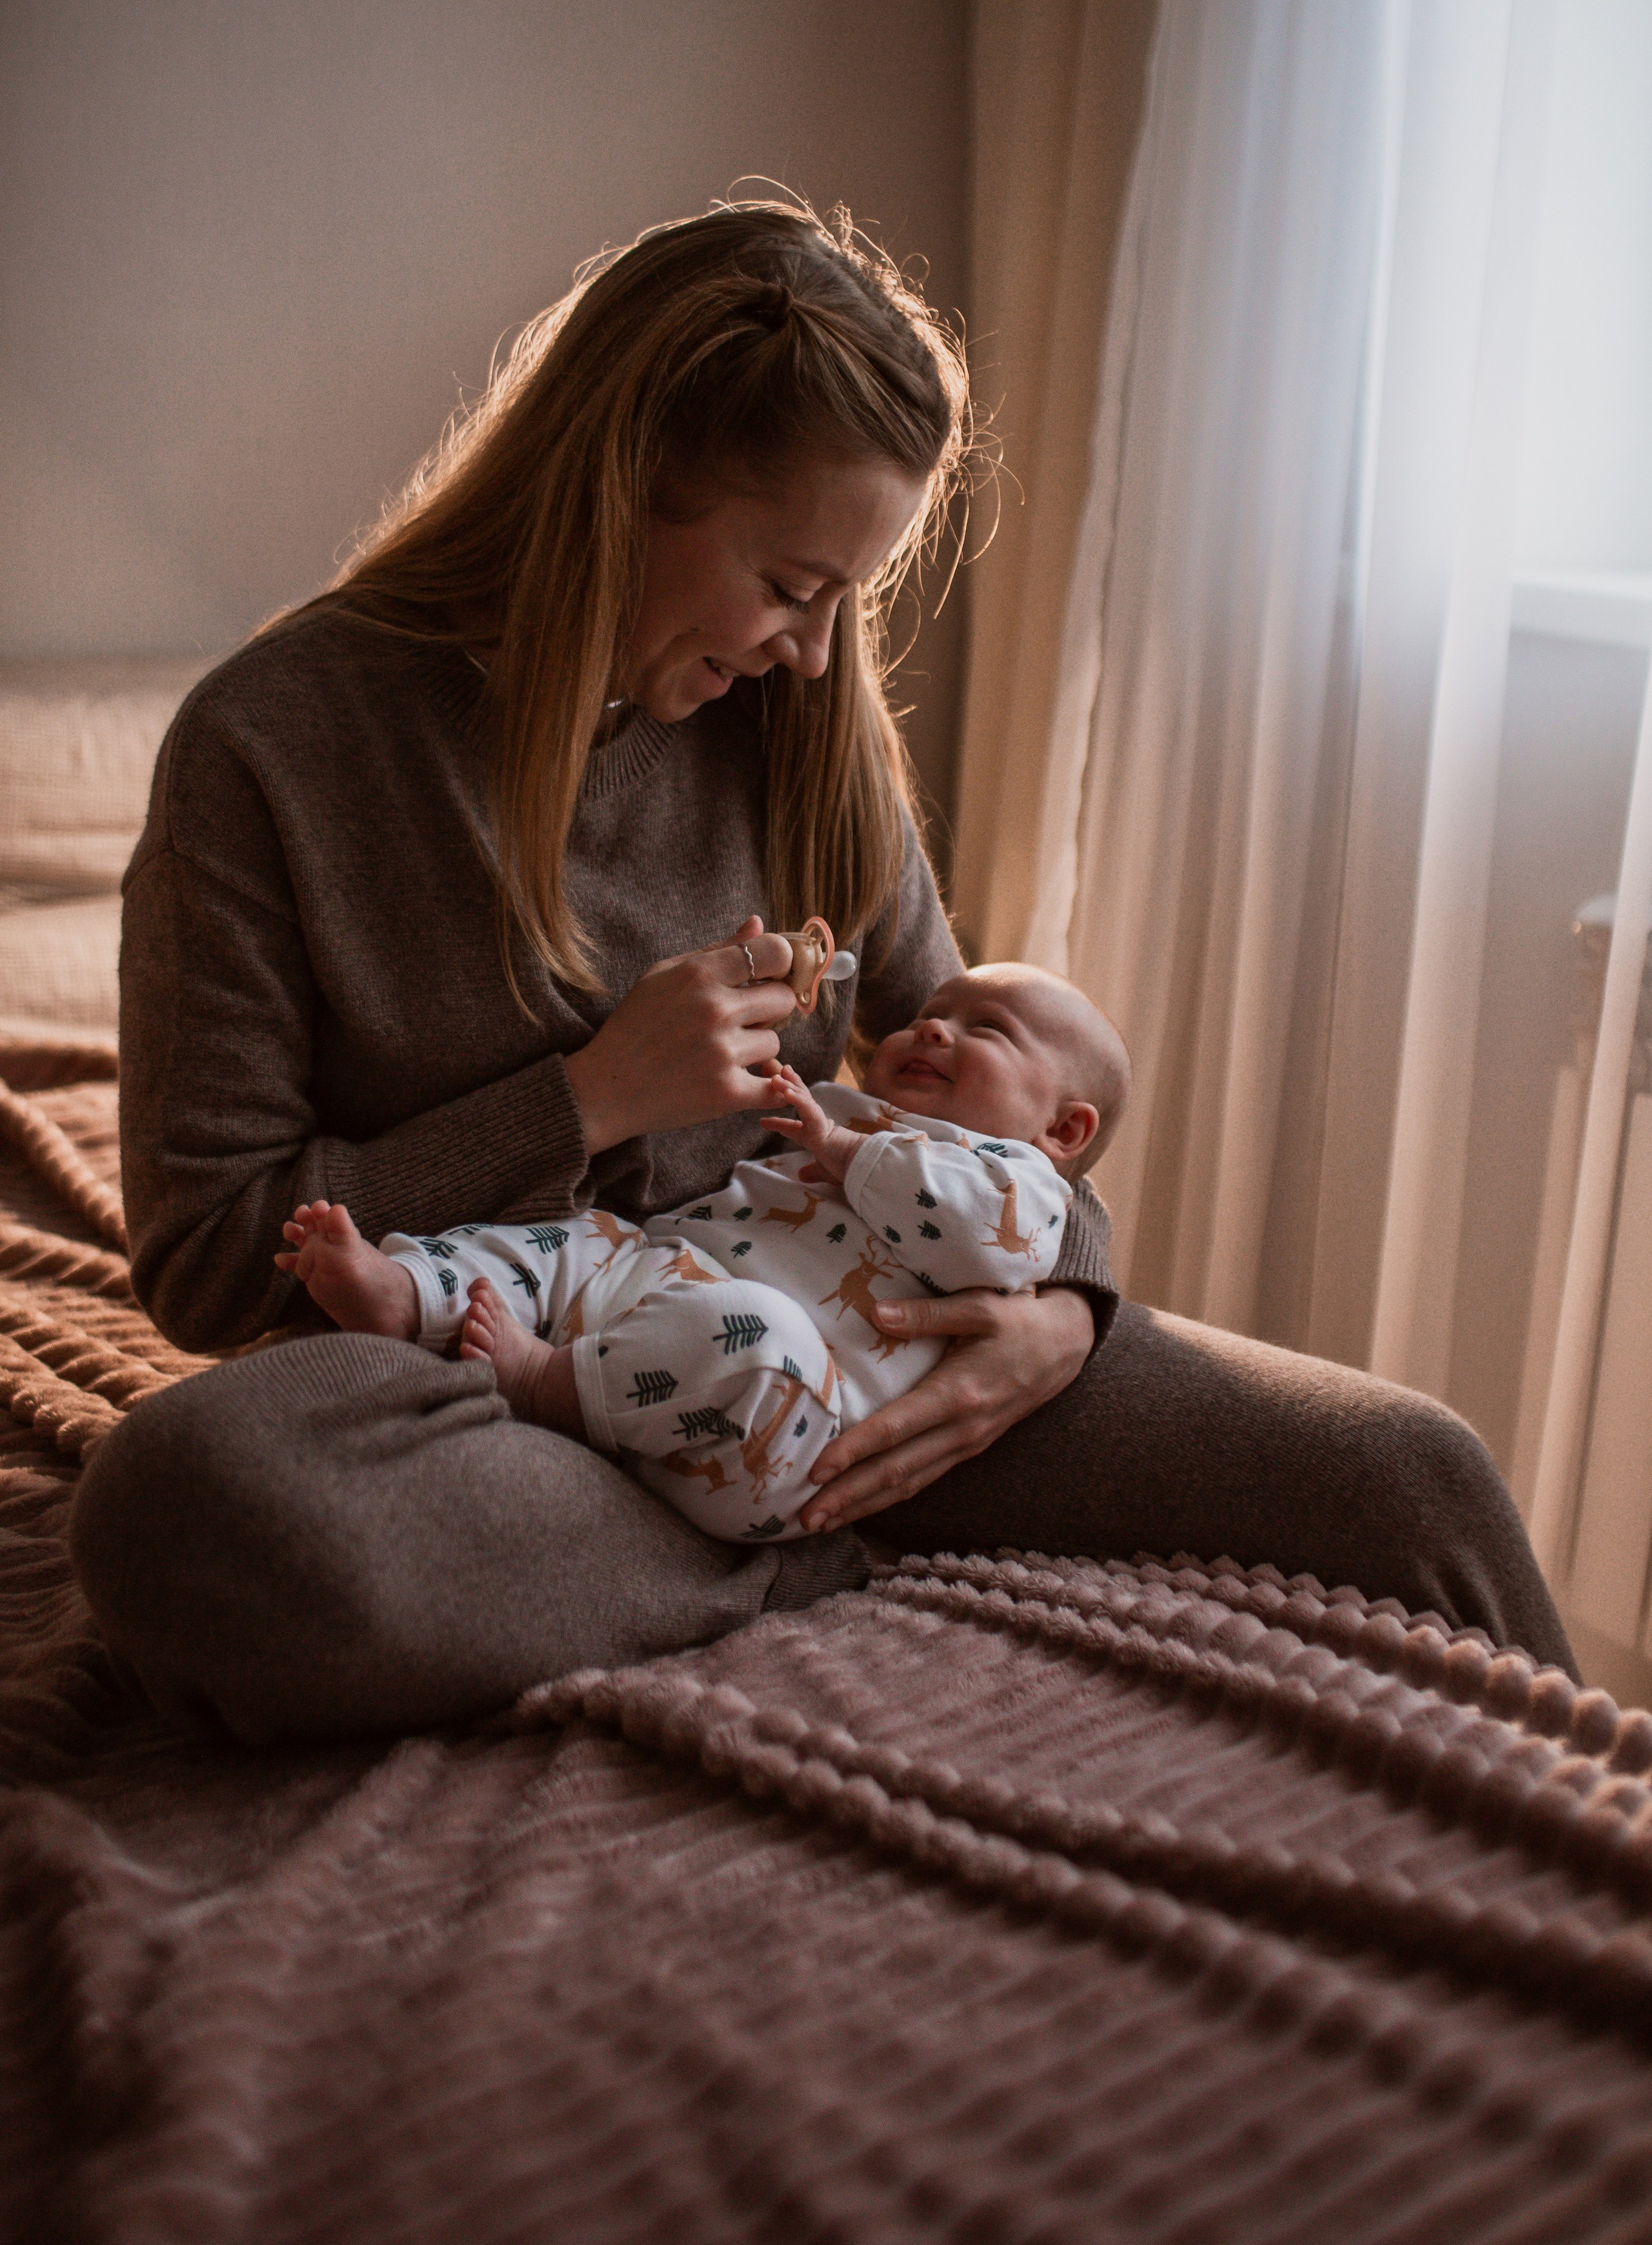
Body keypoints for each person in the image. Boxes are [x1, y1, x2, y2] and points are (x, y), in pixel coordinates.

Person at [68, 200, 1575, 1745]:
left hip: (843, 1361)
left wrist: (1065, 1302)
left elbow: (1007, 1081)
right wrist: (582, 1103)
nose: (809, 650)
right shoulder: (275, 747)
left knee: (1415, 1476)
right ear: (629, 482)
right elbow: (205, 1263)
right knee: (192, 1506)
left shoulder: (797, 726)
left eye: (841, 598)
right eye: (792, 586)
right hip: (506, 1393)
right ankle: (787, 1558)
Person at [272, 964, 1133, 1544]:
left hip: (778, 1415)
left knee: (758, 1337)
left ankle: (544, 1383)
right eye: (926, 1016)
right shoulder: (865, 1111)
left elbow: (983, 1232)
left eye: (983, 1029)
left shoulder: (1018, 1185)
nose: (933, 1029)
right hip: (658, 1273)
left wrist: (1071, 1312)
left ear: (1063, 1129)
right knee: (575, 1241)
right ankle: (412, 1291)